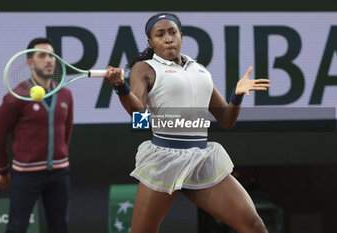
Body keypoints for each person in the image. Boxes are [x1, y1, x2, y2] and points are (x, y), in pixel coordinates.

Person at [104, 13, 271, 233]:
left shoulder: (199, 70)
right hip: (164, 160)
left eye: (173, 32)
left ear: (181, 37)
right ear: (150, 42)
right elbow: (140, 119)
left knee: (254, 226)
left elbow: (227, 119)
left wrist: (236, 95)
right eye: (160, 34)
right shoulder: (144, 68)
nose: (168, 38)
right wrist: (121, 87)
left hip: (201, 160)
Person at [0, 37, 73, 233]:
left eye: (51, 56)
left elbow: (66, 132)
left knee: (60, 227)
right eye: (42, 56)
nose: (49, 60)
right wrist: (3, 170)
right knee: (17, 227)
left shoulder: (65, 94)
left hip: (60, 175)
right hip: (26, 176)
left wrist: (61, 156)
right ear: (30, 62)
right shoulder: (16, 95)